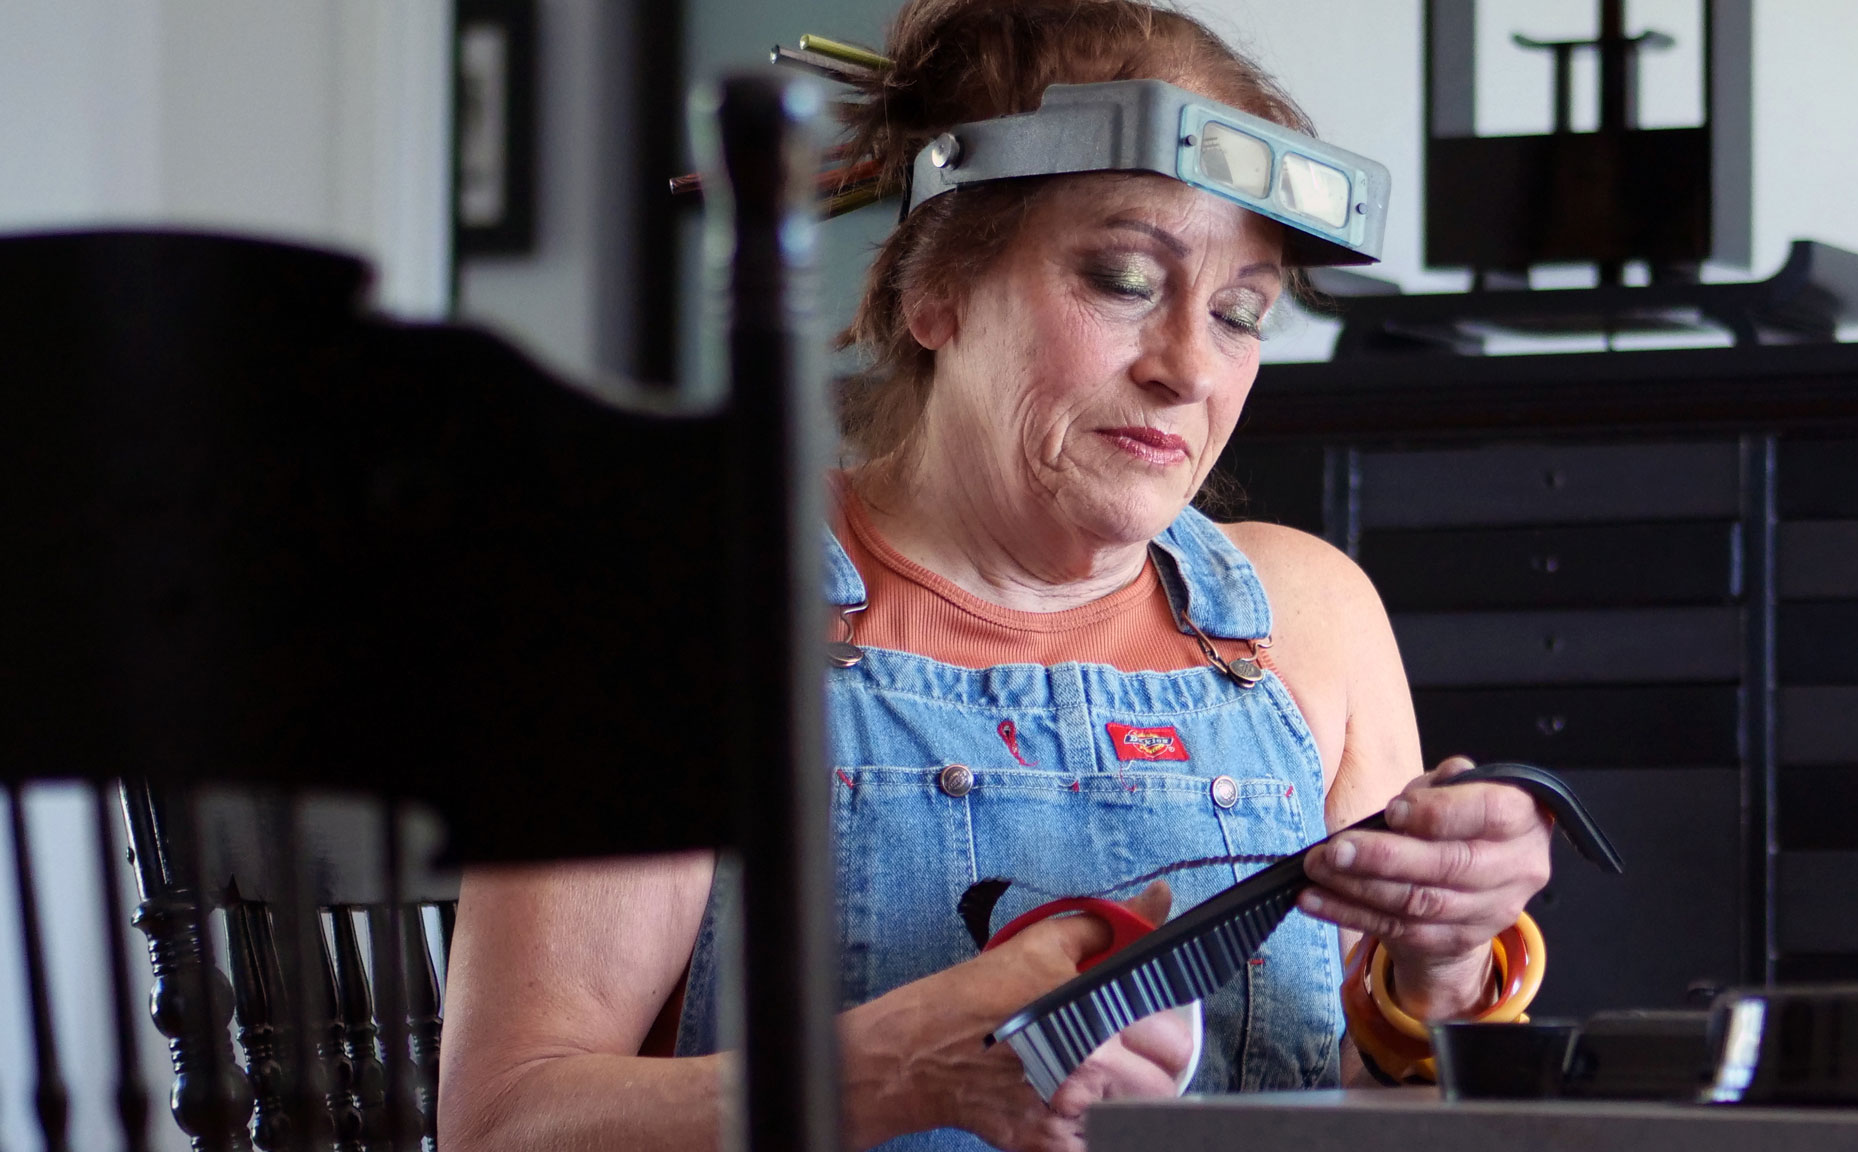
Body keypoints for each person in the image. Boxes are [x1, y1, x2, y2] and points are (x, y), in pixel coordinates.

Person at [438, 2, 1553, 1149]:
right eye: (1123, 277)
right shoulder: (681, 607)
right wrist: (886, 1072)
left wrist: (1441, 961)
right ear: (935, 292)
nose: (1186, 368)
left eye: (1238, 313)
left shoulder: (1305, 620)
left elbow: (1393, 1112)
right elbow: (506, 1125)